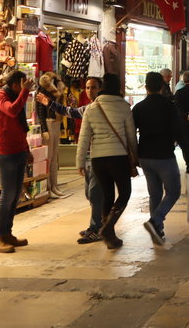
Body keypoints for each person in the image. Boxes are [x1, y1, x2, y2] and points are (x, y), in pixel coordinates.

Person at [37, 76, 105, 244]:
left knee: (95, 193)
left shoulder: (105, 107)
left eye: (93, 87)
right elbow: (71, 112)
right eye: (88, 88)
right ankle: (99, 225)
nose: (90, 91)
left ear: (101, 89)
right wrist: (50, 103)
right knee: (91, 193)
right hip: (91, 154)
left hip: (103, 155)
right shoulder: (89, 107)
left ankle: (98, 227)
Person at [76, 73, 138, 249]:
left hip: (98, 159)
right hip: (118, 158)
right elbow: (131, 135)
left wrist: (80, 161)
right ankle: (108, 227)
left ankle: (109, 235)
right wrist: (136, 156)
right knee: (124, 193)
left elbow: (84, 137)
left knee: (107, 195)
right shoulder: (123, 107)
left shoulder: (91, 108)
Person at [133, 71, 189, 245]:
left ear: (145, 87)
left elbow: (130, 131)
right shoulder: (168, 106)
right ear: (162, 86)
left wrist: (134, 154)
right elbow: (180, 133)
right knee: (173, 192)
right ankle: (155, 220)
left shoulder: (138, 107)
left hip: (145, 156)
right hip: (164, 156)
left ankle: (157, 229)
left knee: (155, 194)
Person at [0, 70, 34, 254]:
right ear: (15, 84)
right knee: (7, 196)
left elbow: (20, 126)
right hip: (5, 153)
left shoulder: (16, 96)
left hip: (18, 151)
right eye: (21, 85)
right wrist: (24, 92)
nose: (23, 89)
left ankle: (7, 234)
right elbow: (12, 111)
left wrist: (27, 149)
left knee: (15, 196)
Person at [36, 72, 67, 198]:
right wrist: (44, 129)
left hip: (56, 122)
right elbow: (40, 110)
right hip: (48, 123)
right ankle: (48, 187)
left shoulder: (58, 85)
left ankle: (54, 186)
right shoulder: (43, 88)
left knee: (54, 157)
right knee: (48, 157)